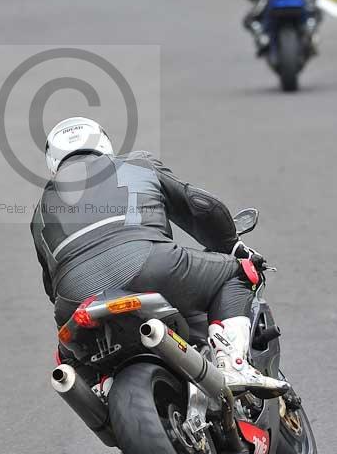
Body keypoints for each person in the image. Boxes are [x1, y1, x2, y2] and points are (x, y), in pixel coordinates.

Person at [31, 117, 288, 397]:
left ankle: (100, 390)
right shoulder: (136, 164)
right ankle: (233, 364)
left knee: (70, 355)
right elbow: (200, 207)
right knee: (237, 272)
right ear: (103, 143)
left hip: (75, 301)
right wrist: (230, 244)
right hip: (153, 265)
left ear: (53, 162)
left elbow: (52, 285)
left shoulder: (40, 211)